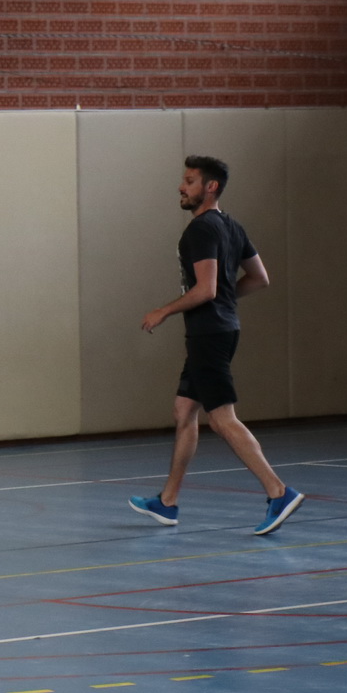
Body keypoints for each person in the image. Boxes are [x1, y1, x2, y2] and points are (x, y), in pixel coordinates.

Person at [130, 156, 303, 535]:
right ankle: (168, 502)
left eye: (190, 181)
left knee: (222, 418)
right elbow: (259, 278)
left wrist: (164, 310)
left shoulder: (201, 229)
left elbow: (206, 289)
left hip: (209, 334)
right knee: (184, 410)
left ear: (210, 187)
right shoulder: (232, 226)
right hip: (220, 330)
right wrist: (225, 297)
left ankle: (278, 492)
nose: (181, 187)